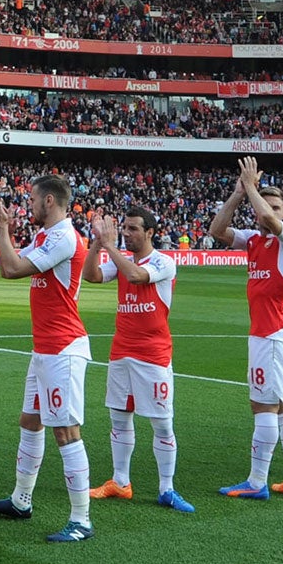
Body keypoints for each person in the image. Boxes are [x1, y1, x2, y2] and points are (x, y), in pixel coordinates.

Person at [0, 175, 96, 542]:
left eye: (32, 199)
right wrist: (5, 232)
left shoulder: (63, 237)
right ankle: (21, 500)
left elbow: (12, 269)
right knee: (30, 420)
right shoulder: (45, 237)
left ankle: (81, 520)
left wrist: (1, 227)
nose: (28, 204)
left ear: (49, 201)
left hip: (63, 348)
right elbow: (7, 266)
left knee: (66, 431)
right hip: (45, 347)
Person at [208, 158, 283, 501]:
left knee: (264, 406)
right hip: (266, 334)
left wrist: (251, 185)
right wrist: (239, 193)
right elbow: (217, 231)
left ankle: (257, 481)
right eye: (269, 205)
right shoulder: (254, 240)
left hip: (273, 334)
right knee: (282, 405)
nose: (273, 211)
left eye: (280, 207)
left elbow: (267, 218)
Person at [85, 206, 194, 513]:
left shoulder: (163, 262)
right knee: (119, 418)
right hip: (122, 350)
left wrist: (109, 246)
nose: (127, 234)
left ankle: (167, 489)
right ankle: (120, 482)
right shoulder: (122, 261)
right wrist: (97, 242)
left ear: (150, 232)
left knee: (161, 423)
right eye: (125, 228)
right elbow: (91, 275)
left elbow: (136, 276)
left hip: (153, 354)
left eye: (133, 229)